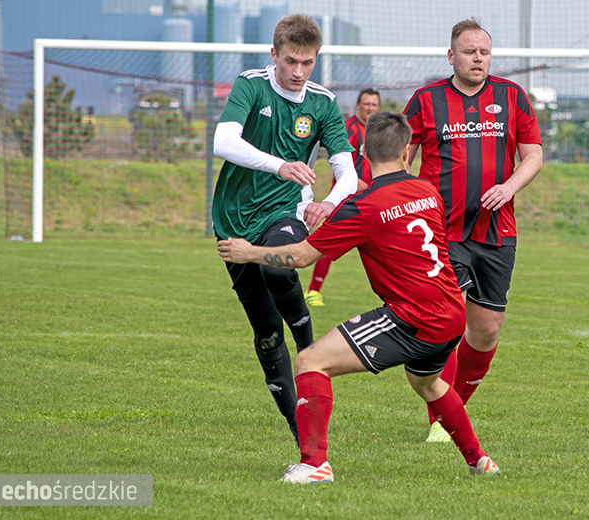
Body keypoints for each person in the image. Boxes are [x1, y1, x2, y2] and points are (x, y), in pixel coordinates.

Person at [218, 112, 501, 484]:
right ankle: (480, 460)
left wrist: (249, 252)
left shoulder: (364, 205)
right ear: (406, 152)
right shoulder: (428, 192)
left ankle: (314, 465)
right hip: (452, 310)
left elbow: (301, 256)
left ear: (364, 152)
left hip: (415, 317)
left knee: (310, 361)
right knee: (428, 384)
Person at [212, 13, 357, 444]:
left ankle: (308, 346)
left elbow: (347, 173)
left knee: (277, 268)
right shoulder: (251, 85)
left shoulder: (323, 103)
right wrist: (279, 165)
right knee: (266, 332)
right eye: (291, 61)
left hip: (286, 210)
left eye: (307, 62)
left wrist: (328, 203)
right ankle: (299, 432)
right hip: (233, 219)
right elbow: (223, 141)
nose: (298, 71)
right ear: (274, 54)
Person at [404, 17, 543, 442]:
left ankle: (452, 412)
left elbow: (533, 155)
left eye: (484, 52)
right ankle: (442, 421)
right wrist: (406, 201)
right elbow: (399, 158)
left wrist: (509, 186)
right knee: (447, 322)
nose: (478, 58)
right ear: (451, 56)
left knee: (485, 332)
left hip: (497, 232)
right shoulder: (426, 100)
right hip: (442, 232)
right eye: (469, 52)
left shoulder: (512, 96)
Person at [305, 87, 381, 307]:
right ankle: (313, 291)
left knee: (384, 244)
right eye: (366, 104)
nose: (370, 108)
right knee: (329, 244)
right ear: (358, 105)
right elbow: (339, 162)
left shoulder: (378, 131)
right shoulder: (349, 128)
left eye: (374, 104)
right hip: (345, 199)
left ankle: (396, 295)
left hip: (372, 200)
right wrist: (354, 182)